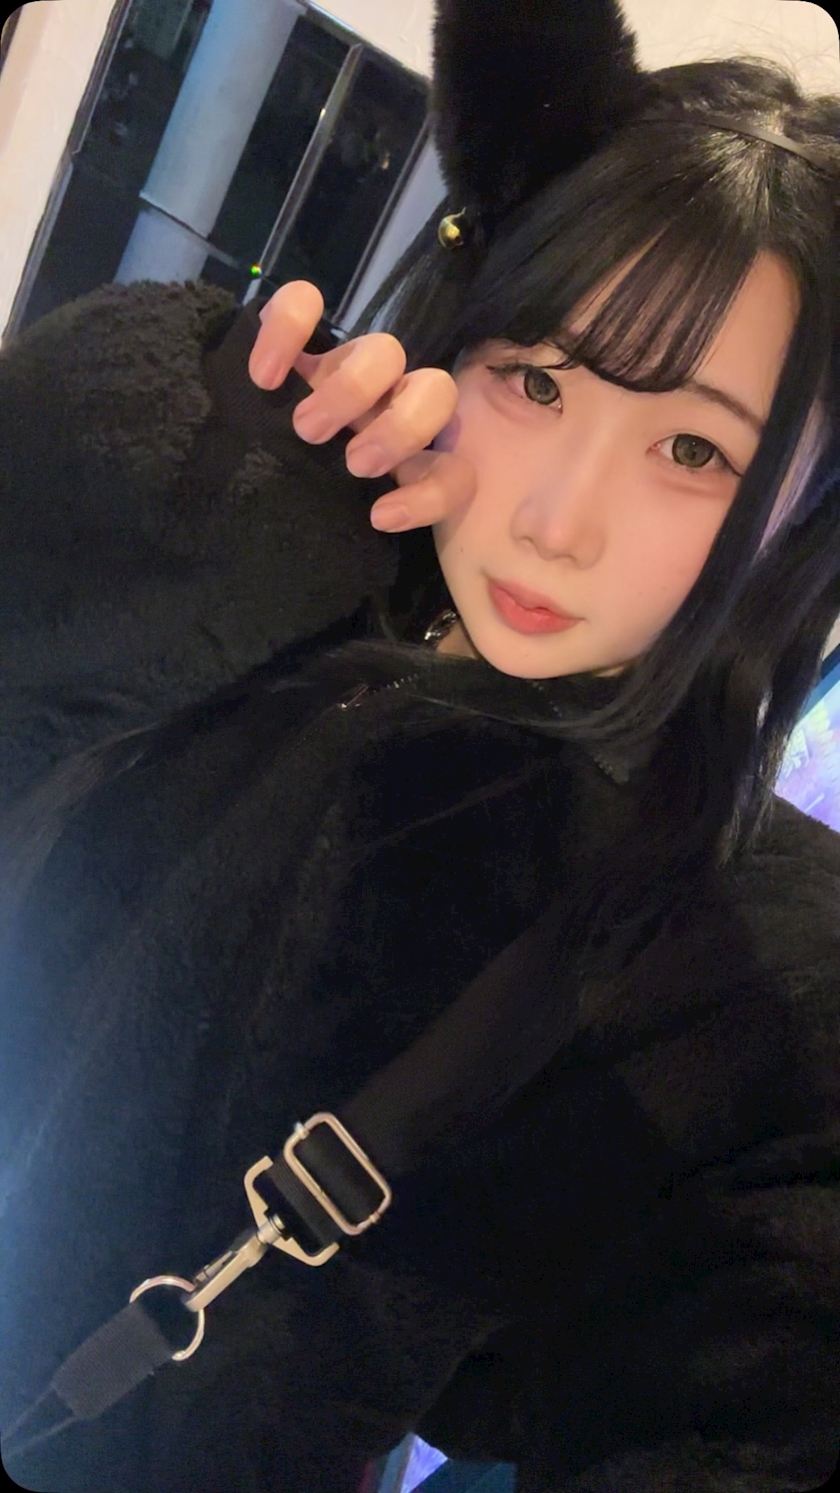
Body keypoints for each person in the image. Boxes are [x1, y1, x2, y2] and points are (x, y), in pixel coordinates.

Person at [2, 2, 840, 1490]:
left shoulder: (733, 971)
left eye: (694, 450)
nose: (557, 522)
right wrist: (147, 493)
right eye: (540, 381)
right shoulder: (275, 581)